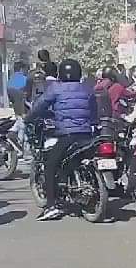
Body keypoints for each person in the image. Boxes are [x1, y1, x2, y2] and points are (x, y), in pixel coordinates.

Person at [29, 58, 97, 221]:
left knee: (50, 165)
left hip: (67, 135)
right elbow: (94, 112)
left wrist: (29, 117)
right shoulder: (87, 89)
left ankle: (51, 206)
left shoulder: (56, 89)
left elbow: (40, 106)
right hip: (87, 135)